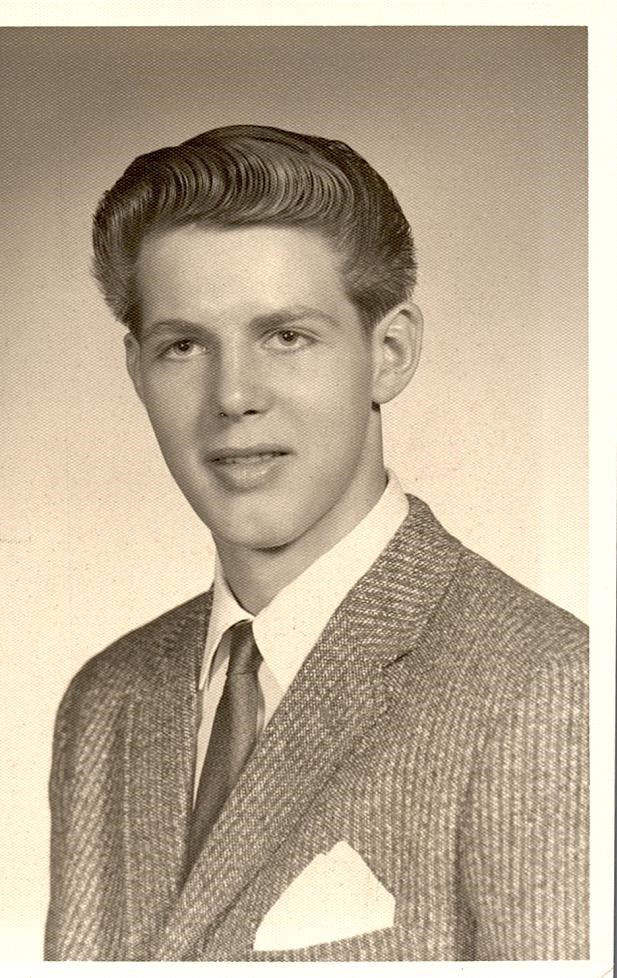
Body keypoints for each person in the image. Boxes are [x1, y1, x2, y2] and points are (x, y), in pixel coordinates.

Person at [44, 125, 588, 961]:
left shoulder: (544, 684)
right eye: (183, 345)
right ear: (136, 372)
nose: (231, 396)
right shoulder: (107, 700)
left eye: (286, 336)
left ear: (389, 353)